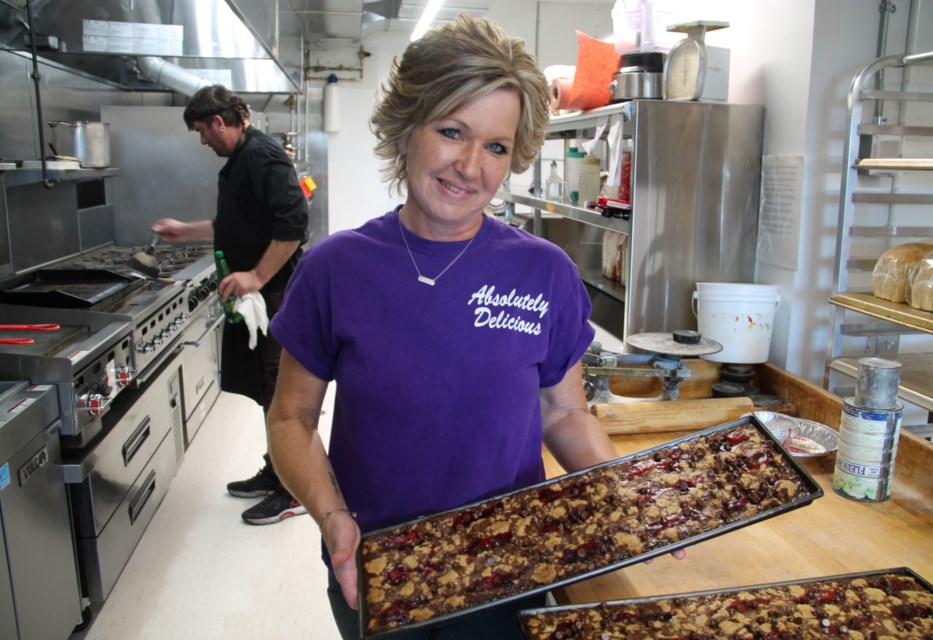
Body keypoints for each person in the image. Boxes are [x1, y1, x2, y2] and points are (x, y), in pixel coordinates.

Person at [266, 14, 682, 639]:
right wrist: (331, 518)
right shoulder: (335, 269)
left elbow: (563, 414)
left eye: (495, 146)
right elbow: (290, 419)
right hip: (380, 562)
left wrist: (628, 492)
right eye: (452, 131)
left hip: (509, 571)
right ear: (407, 128)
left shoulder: (544, 272)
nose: (470, 165)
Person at [152, 85, 309, 526]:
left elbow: (294, 222)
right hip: (257, 296)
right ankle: (276, 470)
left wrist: (257, 275)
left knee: (281, 395)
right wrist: (186, 230)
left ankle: (292, 489)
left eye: (203, 131)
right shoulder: (242, 159)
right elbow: (237, 225)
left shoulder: (261, 155)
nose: (203, 141)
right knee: (265, 390)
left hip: (275, 296)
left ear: (220, 122)